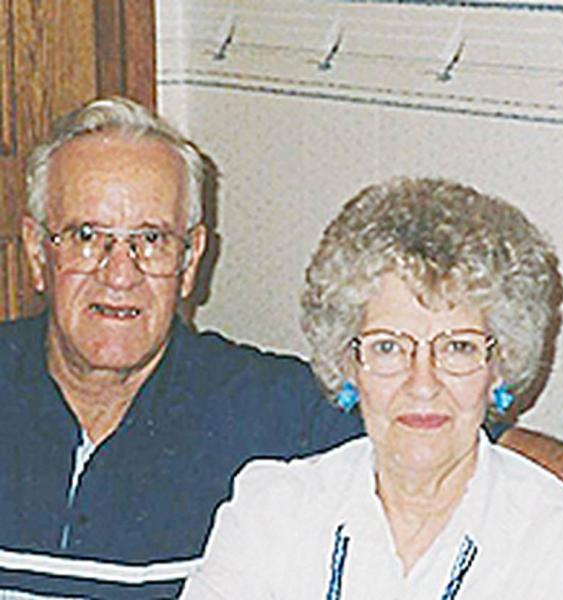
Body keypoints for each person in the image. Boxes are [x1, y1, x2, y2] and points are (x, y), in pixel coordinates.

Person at [0, 97, 361, 599]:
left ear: (190, 261)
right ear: (38, 253)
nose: (119, 273)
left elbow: (441, 462)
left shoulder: (273, 410)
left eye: (151, 239)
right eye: (87, 235)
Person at [182, 178, 563, 599]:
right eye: (388, 347)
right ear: (348, 362)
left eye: (458, 347)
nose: (422, 384)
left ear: (500, 365)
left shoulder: (556, 540)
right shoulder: (273, 510)